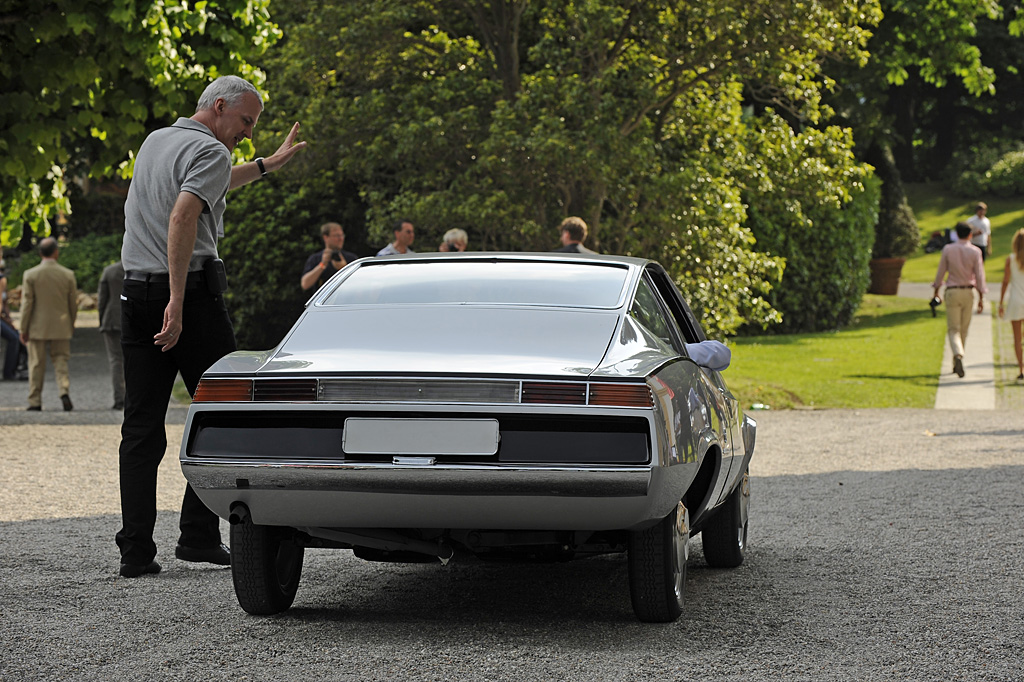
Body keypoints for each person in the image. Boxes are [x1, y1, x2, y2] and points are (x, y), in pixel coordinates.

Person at [116, 74, 305, 579]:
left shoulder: (157, 140)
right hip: (189, 299)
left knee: (140, 427)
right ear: (219, 106)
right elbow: (183, 217)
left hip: (135, 294)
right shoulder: (213, 153)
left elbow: (206, 183)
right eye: (246, 121)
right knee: (228, 411)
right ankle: (197, 535)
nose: (249, 133)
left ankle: (135, 550)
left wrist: (266, 166)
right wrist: (177, 303)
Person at [19, 238, 78, 410]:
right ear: (56, 252)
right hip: (61, 325)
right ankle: (63, 390)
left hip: (37, 326)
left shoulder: (30, 275)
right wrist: (71, 323)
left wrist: (23, 328)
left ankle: (35, 400)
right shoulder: (67, 275)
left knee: (36, 364)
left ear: (40, 253)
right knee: (61, 361)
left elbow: (27, 304)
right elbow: (72, 304)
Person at [932, 221, 987, 378]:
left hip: (952, 291)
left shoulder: (948, 249)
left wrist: (936, 291)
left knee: (953, 329)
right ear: (970, 235)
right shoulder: (975, 251)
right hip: (968, 292)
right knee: (963, 329)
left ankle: (957, 356)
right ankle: (958, 358)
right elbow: (979, 276)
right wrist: (981, 297)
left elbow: (941, 272)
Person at [97, 260, 126, 409]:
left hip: (112, 320)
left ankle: (119, 397)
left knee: (116, 361)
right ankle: (132, 397)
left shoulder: (110, 271)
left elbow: (102, 299)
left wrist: (101, 320)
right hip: (133, 319)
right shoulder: (138, 270)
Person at [997, 228, 1024, 381]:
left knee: (1017, 339)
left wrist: (1001, 303)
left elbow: (1005, 282)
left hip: (1015, 301)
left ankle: (1021, 368)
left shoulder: (1011, 259)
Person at [300, 222, 358, 291]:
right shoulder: (315, 259)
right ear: (325, 237)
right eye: (337, 236)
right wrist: (322, 265)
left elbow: (359, 284)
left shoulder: (351, 258)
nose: (341, 239)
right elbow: (305, 284)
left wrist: (344, 269)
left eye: (342, 235)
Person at [1, 256, 29, 381]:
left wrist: (9, 319)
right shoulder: (1, 279)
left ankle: (16, 368)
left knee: (16, 336)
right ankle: (9, 372)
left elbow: (4, 302)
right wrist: (7, 320)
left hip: (2, 317)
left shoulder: (2, 279)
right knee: (13, 338)